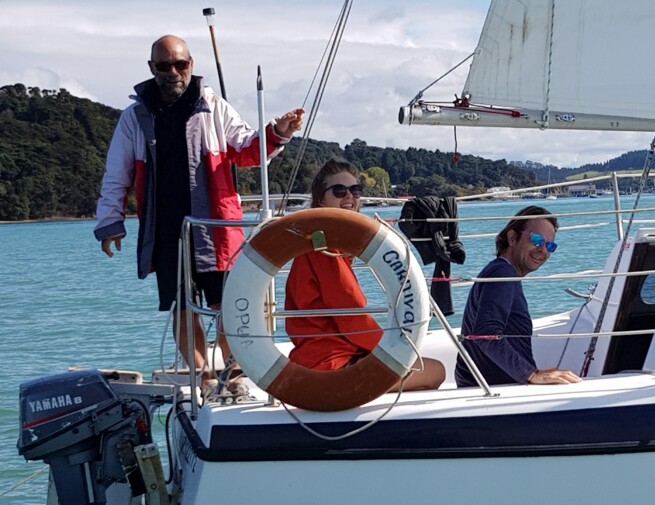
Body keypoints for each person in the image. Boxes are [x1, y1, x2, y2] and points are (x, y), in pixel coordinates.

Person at [93, 35, 304, 393]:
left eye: (181, 64)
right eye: (164, 66)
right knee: (181, 305)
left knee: (229, 303)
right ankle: (202, 375)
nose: (173, 72)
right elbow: (118, 172)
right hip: (164, 227)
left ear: (191, 65)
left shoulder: (214, 106)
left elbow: (248, 149)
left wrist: (277, 132)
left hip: (217, 227)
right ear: (152, 68)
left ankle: (233, 370)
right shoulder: (134, 117)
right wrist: (110, 221)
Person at [284, 159, 445, 391]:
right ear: (320, 198)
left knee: (420, 370)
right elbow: (351, 315)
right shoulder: (324, 249)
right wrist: (390, 350)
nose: (349, 196)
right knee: (435, 371)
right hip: (332, 365)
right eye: (339, 190)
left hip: (323, 358)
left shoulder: (320, 242)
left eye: (355, 190)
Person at [455, 206, 582, 387]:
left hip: (491, 385)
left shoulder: (502, 272)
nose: (543, 250)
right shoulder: (502, 273)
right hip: (493, 391)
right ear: (513, 238)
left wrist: (531, 373)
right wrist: (530, 375)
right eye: (537, 240)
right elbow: (485, 334)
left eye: (550, 245)